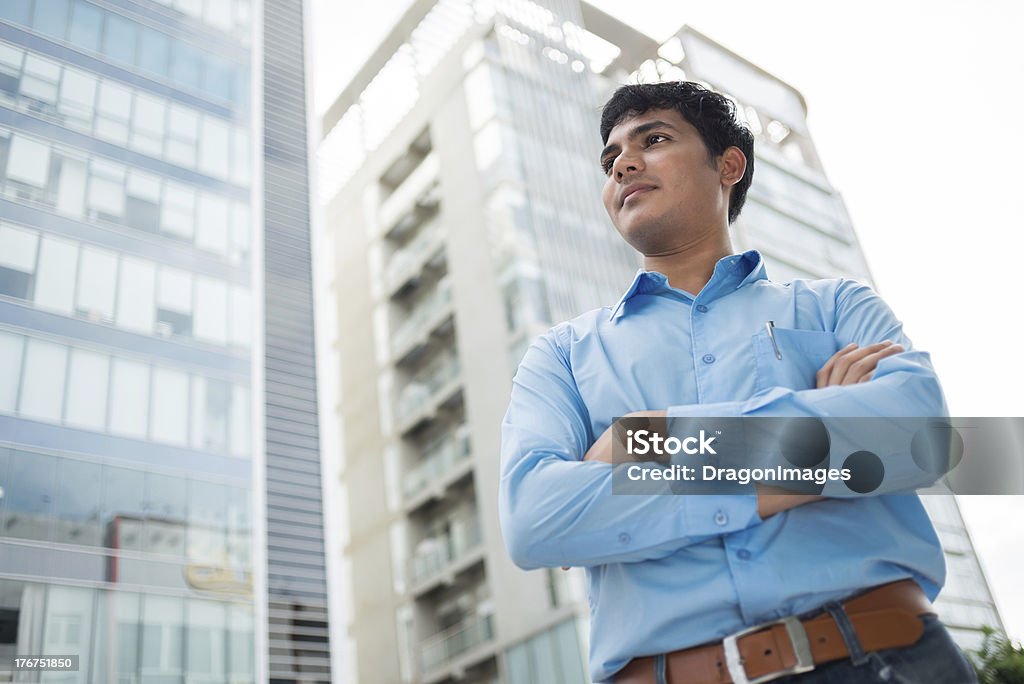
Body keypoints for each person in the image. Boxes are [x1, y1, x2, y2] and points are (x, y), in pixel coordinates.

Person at [498, 82, 977, 683]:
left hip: (884, 659)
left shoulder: (835, 307)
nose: (623, 162)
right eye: (610, 157)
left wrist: (644, 440)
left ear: (728, 165)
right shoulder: (561, 356)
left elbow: (916, 436)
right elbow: (536, 519)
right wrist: (818, 437)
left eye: (655, 139)